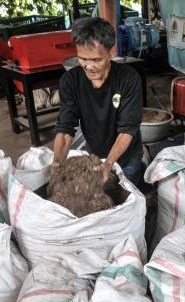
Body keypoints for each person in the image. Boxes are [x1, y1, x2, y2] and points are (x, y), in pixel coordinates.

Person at [53, 17, 143, 186]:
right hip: (95, 158)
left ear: (112, 52)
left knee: (129, 202)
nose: (89, 67)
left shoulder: (129, 79)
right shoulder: (70, 81)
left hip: (128, 160)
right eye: (83, 59)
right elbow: (65, 129)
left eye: (96, 60)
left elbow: (127, 129)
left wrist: (109, 163)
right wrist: (58, 163)